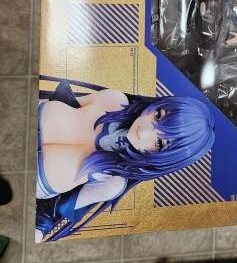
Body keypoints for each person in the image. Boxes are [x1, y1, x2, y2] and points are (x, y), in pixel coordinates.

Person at [36, 87, 215, 241]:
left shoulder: (112, 182)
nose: (144, 132)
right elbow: (59, 98)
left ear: (165, 160)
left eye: (159, 143)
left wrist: (39, 230)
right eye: (158, 115)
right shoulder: (113, 101)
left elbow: (55, 208)